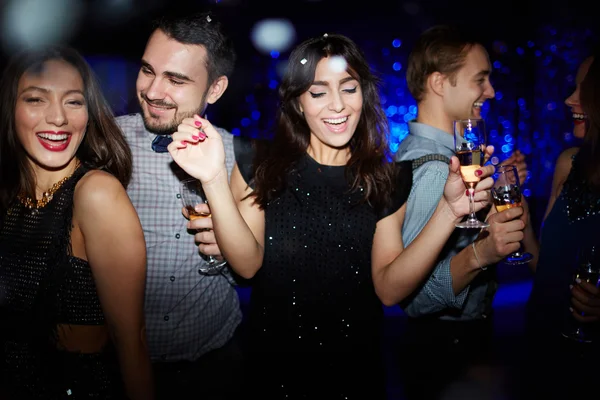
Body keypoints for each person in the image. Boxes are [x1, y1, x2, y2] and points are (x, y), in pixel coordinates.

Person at [167, 32, 496, 399]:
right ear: (298, 103)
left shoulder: (387, 179)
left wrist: (450, 210)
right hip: (271, 376)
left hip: (356, 377)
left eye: (349, 88)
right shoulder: (258, 161)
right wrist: (212, 178)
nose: (337, 106)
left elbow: (388, 289)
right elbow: (246, 265)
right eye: (319, 92)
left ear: (364, 94)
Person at [0, 45, 153, 399]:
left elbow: (132, 344)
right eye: (36, 100)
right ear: (10, 108)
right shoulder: (8, 196)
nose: (58, 118)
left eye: (73, 101)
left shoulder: (96, 194)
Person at [393, 24, 534, 400]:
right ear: (440, 83)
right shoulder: (435, 167)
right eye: (480, 80)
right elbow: (416, 299)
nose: (490, 91)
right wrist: (483, 254)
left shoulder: (436, 156)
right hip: (446, 346)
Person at [114, 11, 244, 400]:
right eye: (147, 70)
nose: (153, 91)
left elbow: (260, 271)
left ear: (215, 89)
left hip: (216, 359)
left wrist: (227, 253)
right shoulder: (103, 145)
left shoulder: (240, 158)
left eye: (176, 79)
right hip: (121, 364)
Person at [522, 53, 600, 399]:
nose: (570, 99)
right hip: (541, 348)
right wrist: (517, 216)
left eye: (586, 89)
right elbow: (544, 269)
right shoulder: (569, 163)